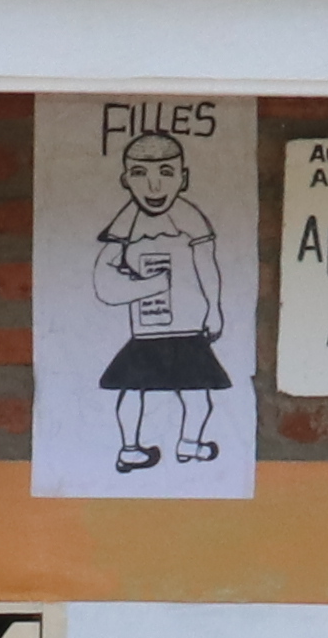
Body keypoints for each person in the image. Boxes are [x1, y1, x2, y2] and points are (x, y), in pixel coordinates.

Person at [90, 125, 234, 472]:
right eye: (140, 174)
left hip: (188, 327)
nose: (154, 186)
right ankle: (129, 449)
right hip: (148, 328)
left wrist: (214, 308)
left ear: (183, 178)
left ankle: (190, 443)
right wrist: (147, 286)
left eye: (166, 173)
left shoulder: (190, 219)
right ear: (125, 179)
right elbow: (104, 278)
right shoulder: (126, 223)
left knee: (198, 393)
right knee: (133, 388)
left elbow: (206, 263)